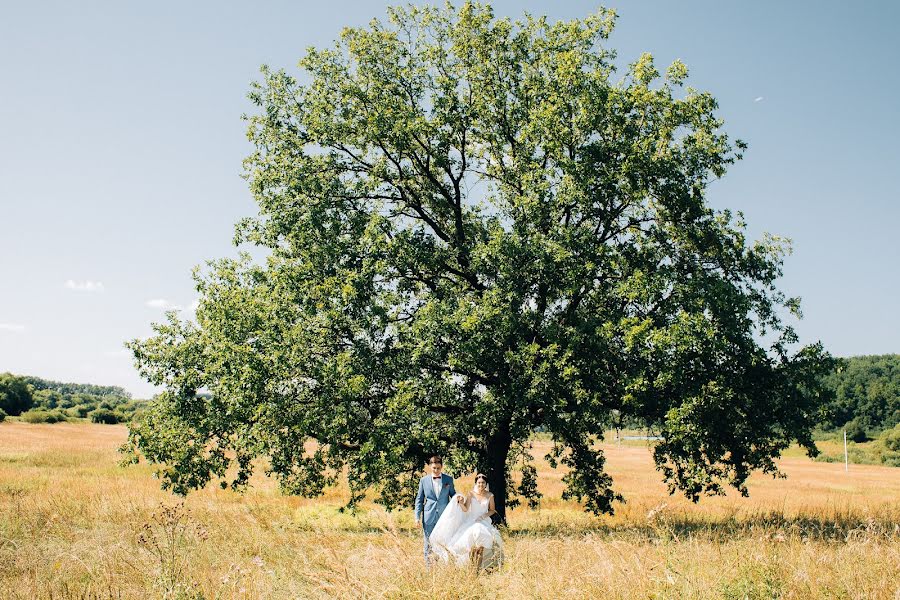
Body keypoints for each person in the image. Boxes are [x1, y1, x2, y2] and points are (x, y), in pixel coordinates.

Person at [428, 473, 504, 571]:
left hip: (484, 522)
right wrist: (459, 503)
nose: (481, 485)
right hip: (471, 522)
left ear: (486, 484)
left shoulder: (490, 495)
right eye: (479, 483)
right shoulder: (471, 494)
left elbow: (492, 510)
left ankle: (478, 568)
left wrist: (484, 516)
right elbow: (466, 509)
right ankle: (472, 567)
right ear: (476, 483)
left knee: (481, 546)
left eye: (483, 483)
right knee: (472, 547)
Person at [414, 454, 456, 564]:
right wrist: (417, 517)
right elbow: (419, 499)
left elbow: (453, 495)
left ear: (441, 467)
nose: (436, 470)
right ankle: (429, 569)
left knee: (443, 542)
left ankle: (443, 566)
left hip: (444, 517)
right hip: (428, 516)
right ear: (429, 467)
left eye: (438, 468)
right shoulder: (424, 481)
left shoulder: (448, 479)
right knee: (428, 543)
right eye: (434, 468)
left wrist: (460, 500)